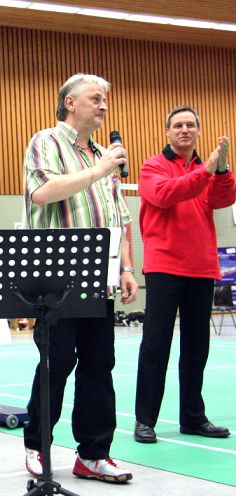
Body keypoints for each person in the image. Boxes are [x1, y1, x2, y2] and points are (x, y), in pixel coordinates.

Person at [22, 73, 137, 484]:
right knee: (55, 363)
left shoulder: (104, 154)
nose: (103, 105)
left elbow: (120, 218)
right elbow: (43, 192)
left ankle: (93, 454)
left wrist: (125, 267)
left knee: (98, 365)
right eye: (95, 98)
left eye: (105, 99)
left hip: (100, 279)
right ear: (70, 103)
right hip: (55, 281)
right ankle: (37, 446)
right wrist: (100, 169)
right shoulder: (46, 142)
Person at [134, 106, 235, 443]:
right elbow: (164, 195)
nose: (184, 130)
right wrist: (206, 171)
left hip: (201, 267)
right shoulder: (154, 166)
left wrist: (222, 172)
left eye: (191, 125)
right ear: (167, 132)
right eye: (178, 125)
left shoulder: (203, 171)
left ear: (198, 131)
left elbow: (223, 199)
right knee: (156, 345)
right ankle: (144, 420)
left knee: (197, 347)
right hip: (164, 267)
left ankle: (193, 417)